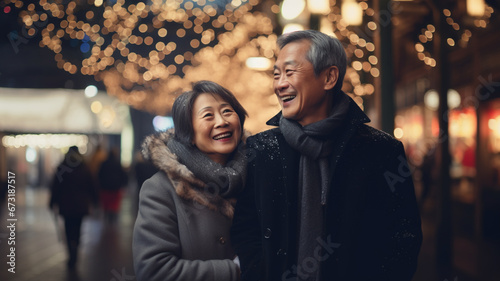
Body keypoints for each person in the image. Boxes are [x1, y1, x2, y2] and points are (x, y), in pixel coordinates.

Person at [231, 30, 422, 281]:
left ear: (329, 77)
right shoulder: (260, 149)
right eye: (276, 74)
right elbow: (246, 229)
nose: (279, 84)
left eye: (290, 72)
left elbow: (402, 238)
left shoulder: (380, 151)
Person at [133, 80, 248, 281]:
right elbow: (153, 271)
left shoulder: (258, 175)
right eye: (208, 116)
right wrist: (233, 270)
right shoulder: (160, 189)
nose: (222, 122)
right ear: (189, 133)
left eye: (227, 111)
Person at [49, 146, 98, 269]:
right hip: (81, 205)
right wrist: (96, 201)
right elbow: (92, 186)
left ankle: (71, 252)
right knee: (78, 229)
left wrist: (52, 202)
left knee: (68, 228)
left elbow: (56, 187)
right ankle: (75, 249)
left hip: (66, 205)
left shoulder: (62, 167)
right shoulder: (85, 167)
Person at [97, 147, 128, 222]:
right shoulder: (118, 164)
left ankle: (107, 215)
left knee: (106, 203)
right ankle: (112, 217)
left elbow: (99, 175)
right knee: (114, 204)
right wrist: (123, 184)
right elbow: (123, 175)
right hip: (115, 188)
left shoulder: (104, 163)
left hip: (105, 188)